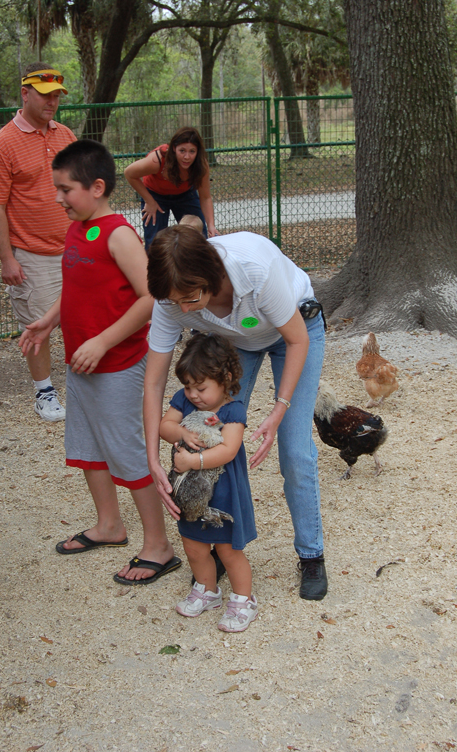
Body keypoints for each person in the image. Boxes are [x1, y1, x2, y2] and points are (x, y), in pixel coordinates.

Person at [19, 139, 180, 585]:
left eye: (64, 189)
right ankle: (109, 525)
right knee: (88, 447)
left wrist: (103, 341)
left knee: (128, 452)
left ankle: (159, 547)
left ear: (96, 187)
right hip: (83, 362)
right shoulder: (78, 227)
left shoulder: (118, 234)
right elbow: (75, 286)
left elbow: (152, 298)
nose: (57, 198)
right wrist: (48, 322)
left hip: (120, 364)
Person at [144, 225, 328, 601]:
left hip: (294, 330)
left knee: (293, 449)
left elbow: (297, 339)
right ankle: (221, 543)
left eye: (189, 298)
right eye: (174, 301)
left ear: (211, 275)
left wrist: (279, 410)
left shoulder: (254, 269)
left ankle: (311, 553)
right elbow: (154, 383)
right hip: (235, 342)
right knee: (213, 440)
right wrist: (151, 458)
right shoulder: (173, 298)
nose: (181, 310)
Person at [0, 62, 77, 421]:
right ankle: (44, 392)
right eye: (45, 95)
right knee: (39, 325)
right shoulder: (0, 145)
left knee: (80, 317)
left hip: (73, 247)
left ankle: (83, 384)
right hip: (32, 253)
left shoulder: (65, 135)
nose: (52, 102)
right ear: (25, 93)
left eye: (57, 96)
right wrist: (8, 258)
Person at [160, 333, 258, 632]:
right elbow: (164, 426)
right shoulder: (184, 401)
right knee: (194, 546)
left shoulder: (233, 410)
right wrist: (181, 434)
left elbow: (228, 450)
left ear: (225, 378)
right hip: (191, 491)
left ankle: (243, 600)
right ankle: (207, 590)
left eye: (200, 387)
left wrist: (193, 461)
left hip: (225, 492)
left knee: (228, 550)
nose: (193, 394)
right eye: (188, 387)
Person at [124, 126, 218, 250]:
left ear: (198, 151)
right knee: (155, 242)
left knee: (199, 237)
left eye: (192, 151)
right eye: (182, 150)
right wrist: (149, 201)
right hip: (155, 195)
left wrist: (211, 225)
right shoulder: (158, 160)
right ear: (174, 148)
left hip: (185, 194)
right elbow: (129, 173)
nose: (187, 157)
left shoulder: (201, 165)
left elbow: (205, 197)